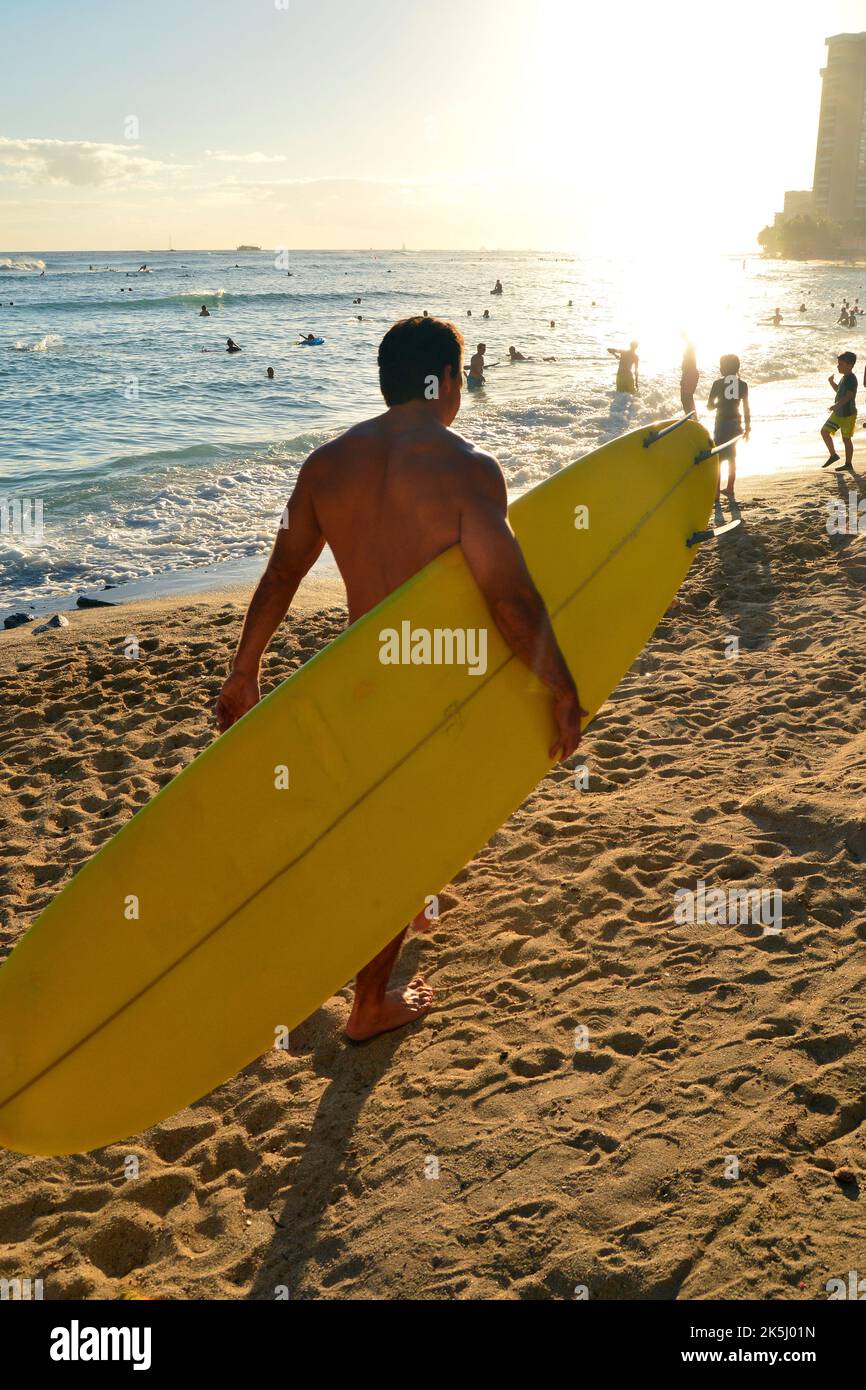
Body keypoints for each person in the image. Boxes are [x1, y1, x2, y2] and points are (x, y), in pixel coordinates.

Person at [215, 315, 585, 1041]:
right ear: (447, 382)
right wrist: (562, 686)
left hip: (358, 678)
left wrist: (244, 668)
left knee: (386, 820)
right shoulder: (467, 469)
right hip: (430, 681)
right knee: (404, 835)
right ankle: (369, 1005)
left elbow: (283, 571)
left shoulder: (325, 465)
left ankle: (409, 905)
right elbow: (510, 598)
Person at [707, 354, 750, 500]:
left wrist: (721, 403)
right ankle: (730, 488)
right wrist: (748, 426)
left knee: (718, 457)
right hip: (736, 423)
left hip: (721, 423)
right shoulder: (743, 384)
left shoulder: (717, 384)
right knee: (732, 455)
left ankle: (716, 493)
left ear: (723, 368)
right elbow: (746, 407)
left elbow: (709, 407)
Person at [821, 352, 858, 470]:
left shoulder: (851, 379)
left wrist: (837, 405)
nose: (838, 366)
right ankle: (833, 455)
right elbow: (839, 391)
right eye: (838, 364)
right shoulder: (844, 378)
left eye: (840, 364)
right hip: (838, 413)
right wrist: (832, 383)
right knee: (824, 431)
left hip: (848, 414)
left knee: (846, 439)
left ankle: (848, 464)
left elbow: (849, 396)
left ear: (850, 365)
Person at [680, 341, 699, 416]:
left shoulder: (689, 345)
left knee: (686, 398)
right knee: (687, 398)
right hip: (689, 374)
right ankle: (691, 418)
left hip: (689, 375)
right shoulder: (689, 346)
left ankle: (692, 419)